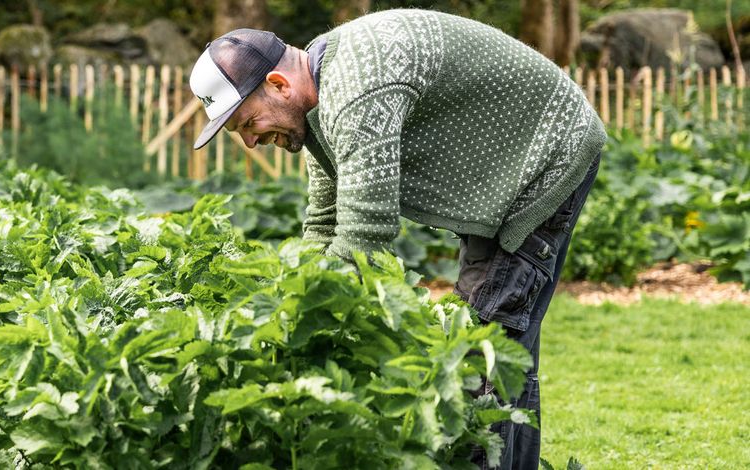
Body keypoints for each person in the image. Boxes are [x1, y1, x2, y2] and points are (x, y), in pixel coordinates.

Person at [188, 10, 604, 470]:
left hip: (547, 154)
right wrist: (295, 304)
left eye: (248, 123)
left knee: (482, 350)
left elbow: (366, 235)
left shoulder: (359, 87)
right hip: (500, 177)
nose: (250, 142)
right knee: (500, 347)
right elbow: (325, 222)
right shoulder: (321, 104)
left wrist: (316, 330)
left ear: (279, 85)